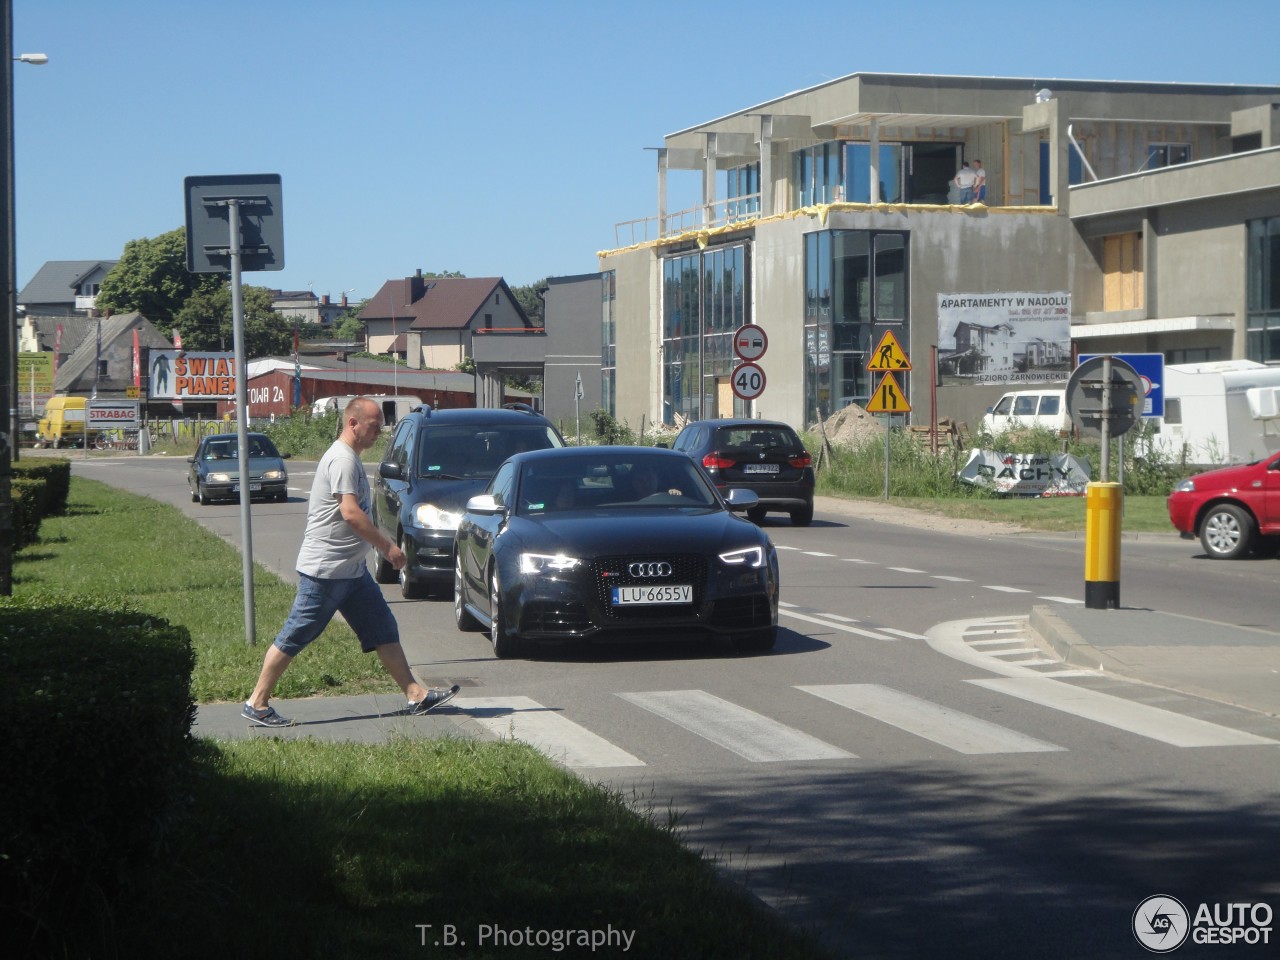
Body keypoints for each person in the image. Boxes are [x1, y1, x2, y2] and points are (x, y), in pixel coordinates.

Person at [243, 396, 458, 727]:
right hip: (326, 572)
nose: (377, 433)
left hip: (351, 572)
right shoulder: (341, 460)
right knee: (296, 634)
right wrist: (388, 547)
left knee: (383, 628)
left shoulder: (351, 458)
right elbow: (350, 514)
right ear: (352, 423)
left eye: (380, 427)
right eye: (373, 427)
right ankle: (257, 703)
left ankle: (415, 694)